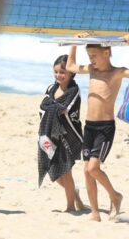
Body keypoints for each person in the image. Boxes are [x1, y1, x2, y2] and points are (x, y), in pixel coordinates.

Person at [67, 33, 129, 221]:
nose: (90, 60)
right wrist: (75, 43)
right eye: (89, 56)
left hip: (105, 128)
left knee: (93, 168)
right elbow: (70, 66)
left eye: (93, 56)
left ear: (107, 52)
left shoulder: (116, 72)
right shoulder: (92, 71)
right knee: (86, 170)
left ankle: (115, 196)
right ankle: (95, 212)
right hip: (89, 126)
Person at [38, 55, 84, 212]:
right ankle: (75, 195)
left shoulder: (74, 91)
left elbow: (67, 110)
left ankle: (70, 206)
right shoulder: (51, 89)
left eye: (62, 72)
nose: (58, 75)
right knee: (53, 170)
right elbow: (42, 106)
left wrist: (52, 106)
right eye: (56, 71)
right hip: (47, 135)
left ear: (71, 73)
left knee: (66, 171)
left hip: (66, 137)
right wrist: (54, 107)